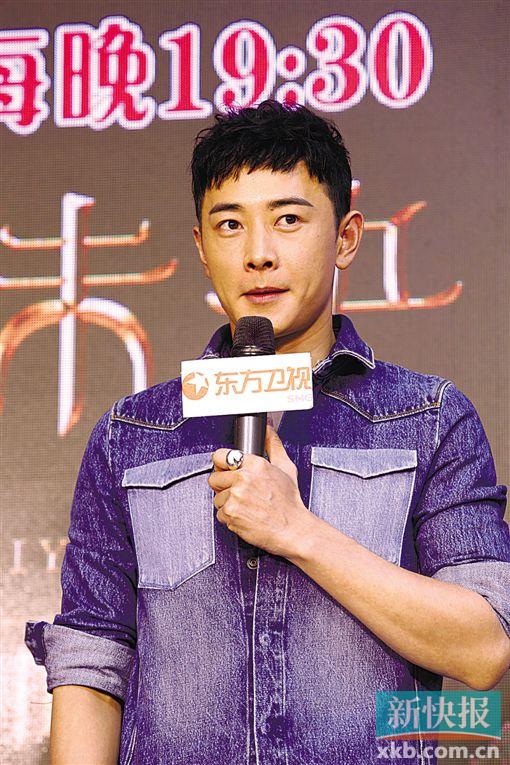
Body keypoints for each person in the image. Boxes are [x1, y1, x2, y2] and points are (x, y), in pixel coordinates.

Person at [26, 101, 510, 765]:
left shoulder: (427, 417)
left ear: (345, 237)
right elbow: (91, 663)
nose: (258, 255)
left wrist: (298, 531)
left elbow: (485, 648)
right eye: (230, 224)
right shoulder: (131, 435)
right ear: (201, 247)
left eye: (288, 219)